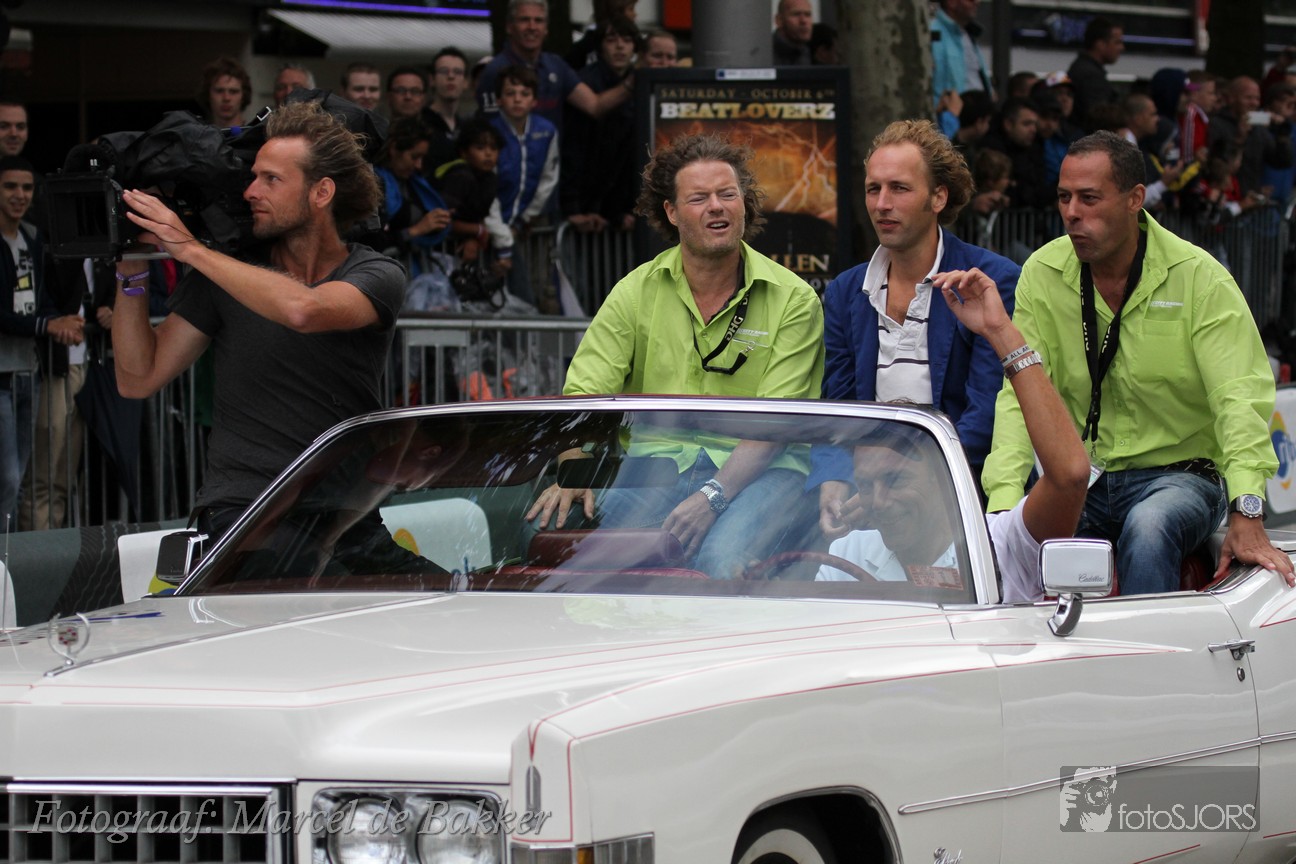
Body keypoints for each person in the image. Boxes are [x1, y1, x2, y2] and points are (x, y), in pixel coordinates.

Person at [983, 131, 1296, 593]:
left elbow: (1239, 398)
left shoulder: (1199, 277)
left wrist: (1247, 509)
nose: (1072, 213)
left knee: (1149, 527)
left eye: (1089, 198)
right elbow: (1018, 395)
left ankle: (1150, 642)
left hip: (1182, 477)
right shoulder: (1043, 271)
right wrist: (1004, 505)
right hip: (1085, 480)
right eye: (1064, 197)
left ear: (1135, 199)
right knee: (1020, 545)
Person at [526, 134, 824, 579]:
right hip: (654, 470)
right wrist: (575, 474)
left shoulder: (794, 298)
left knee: (718, 563)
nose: (717, 207)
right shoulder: (635, 290)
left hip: (763, 472)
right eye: (699, 198)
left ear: (744, 203)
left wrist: (712, 497)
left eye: (727, 194)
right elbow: (583, 397)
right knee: (553, 537)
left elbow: (774, 428)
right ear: (671, 212)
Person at [110, 102, 407, 543]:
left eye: (271, 179)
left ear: (321, 193)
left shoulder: (376, 273)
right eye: (252, 177)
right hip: (244, 510)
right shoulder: (223, 274)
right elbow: (138, 378)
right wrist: (131, 270)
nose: (251, 191)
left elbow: (305, 310)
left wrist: (189, 249)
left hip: (343, 510)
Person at [816, 265, 1090, 602]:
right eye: (866, 486)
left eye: (895, 480)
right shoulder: (848, 552)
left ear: (943, 478)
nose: (879, 502)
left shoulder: (998, 545)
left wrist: (1001, 332)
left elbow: (1070, 476)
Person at [810, 120, 1018, 533]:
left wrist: (904, 481)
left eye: (899, 188)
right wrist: (834, 479)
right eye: (873, 189)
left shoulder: (989, 280)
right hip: (868, 492)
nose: (882, 204)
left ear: (938, 196)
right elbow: (839, 409)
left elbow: (987, 415)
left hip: (960, 488)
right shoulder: (847, 291)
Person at [0, 157, 82, 532]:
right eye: (10, 187)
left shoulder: (32, 236)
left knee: (19, 477)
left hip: (27, 371)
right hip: (2, 375)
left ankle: (10, 556)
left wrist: (62, 321)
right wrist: (48, 324)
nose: (19, 195)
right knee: (8, 478)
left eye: (26, 187)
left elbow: (38, 298)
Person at [475, 0, 632, 134]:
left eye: (538, 21)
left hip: (551, 160)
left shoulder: (556, 66)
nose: (532, 26)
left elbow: (594, 106)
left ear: (546, 28)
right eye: (524, 20)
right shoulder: (494, 71)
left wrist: (633, 81)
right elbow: (488, 134)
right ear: (509, 27)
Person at [561, 16, 640, 234]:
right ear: (600, 47)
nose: (620, 46)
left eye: (626, 40)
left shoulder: (640, 83)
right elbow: (573, 149)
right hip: (582, 200)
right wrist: (572, 207)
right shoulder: (585, 82)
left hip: (616, 203)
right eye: (611, 40)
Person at [490, 64, 558, 304]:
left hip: (528, 224)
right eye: (510, 93)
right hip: (493, 223)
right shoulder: (490, 131)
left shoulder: (546, 131)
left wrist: (525, 219)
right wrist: (501, 231)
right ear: (499, 99)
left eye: (525, 94)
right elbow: (487, 187)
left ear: (534, 100)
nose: (517, 99)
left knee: (536, 285)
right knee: (494, 285)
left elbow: (548, 178)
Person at [373, 117, 452, 278]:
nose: (418, 165)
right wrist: (416, 230)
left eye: (422, 158)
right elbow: (373, 240)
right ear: (394, 149)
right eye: (414, 157)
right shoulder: (375, 183)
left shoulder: (413, 182)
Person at [930, 0, 991, 109]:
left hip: (976, 113)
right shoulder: (932, 32)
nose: (977, 2)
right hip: (950, 115)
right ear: (951, 2)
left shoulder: (968, 34)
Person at [1067, 17, 1124, 129]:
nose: (1122, 47)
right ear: (1100, 44)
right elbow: (1099, 121)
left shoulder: (1083, 68)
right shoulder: (1090, 76)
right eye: (1117, 42)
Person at [422, 47, 472, 173]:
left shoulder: (467, 128)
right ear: (432, 79)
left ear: (466, 82)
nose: (451, 76)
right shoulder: (420, 123)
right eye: (444, 71)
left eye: (458, 72)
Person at [196, 57, 252, 129]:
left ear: (243, 96)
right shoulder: (198, 135)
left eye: (233, 92)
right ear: (208, 94)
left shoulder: (256, 135)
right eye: (219, 91)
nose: (226, 98)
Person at [772, 0, 813, 66]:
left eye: (807, 15)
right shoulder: (765, 52)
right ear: (779, 20)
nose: (804, 21)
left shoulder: (805, 51)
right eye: (796, 14)